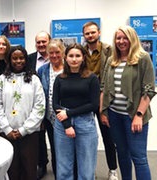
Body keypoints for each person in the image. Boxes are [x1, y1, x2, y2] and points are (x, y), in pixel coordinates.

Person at [100, 25, 156, 180]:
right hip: (114, 115)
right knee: (123, 155)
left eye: (125, 38)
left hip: (134, 116)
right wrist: (103, 111)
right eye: (118, 38)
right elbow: (104, 86)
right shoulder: (112, 60)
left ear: (132, 39)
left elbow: (149, 89)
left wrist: (139, 115)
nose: (121, 41)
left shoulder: (142, 58)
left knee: (139, 158)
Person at [0, 46, 45, 180]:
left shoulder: (34, 79)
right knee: (11, 170)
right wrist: (7, 128)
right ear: (9, 60)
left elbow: (39, 106)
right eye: (14, 58)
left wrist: (24, 130)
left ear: (26, 59)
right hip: (7, 133)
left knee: (29, 169)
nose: (18, 61)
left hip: (29, 133)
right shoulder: (2, 79)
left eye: (21, 58)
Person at [53, 43, 100, 180]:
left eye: (78, 56)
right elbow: (55, 103)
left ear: (83, 58)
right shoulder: (60, 78)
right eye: (71, 56)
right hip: (62, 124)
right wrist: (67, 124)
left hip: (85, 123)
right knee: (64, 168)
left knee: (86, 168)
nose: (74, 59)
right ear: (65, 58)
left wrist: (69, 113)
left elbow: (94, 104)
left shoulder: (91, 78)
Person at [82, 21, 118, 180]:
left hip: (104, 99)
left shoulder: (109, 50)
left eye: (92, 32)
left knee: (108, 137)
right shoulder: (80, 51)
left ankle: (112, 170)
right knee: (85, 138)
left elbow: (112, 74)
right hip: (84, 100)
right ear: (84, 35)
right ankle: (88, 171)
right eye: (87, 33)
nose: (90, 35)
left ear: (99, 32)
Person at [37, 39, 65, 179]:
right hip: (49, 117)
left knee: (69, 150)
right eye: (51, 53)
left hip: (68, 117)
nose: (54, 56)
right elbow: (40, 95)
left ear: (63, 52)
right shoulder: (42, 70)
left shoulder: (69, 68)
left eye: (57, 52)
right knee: (55, 149)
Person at [28, 30, 51, 179]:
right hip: (35, 105)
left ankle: (60, 167)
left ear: (49, 42)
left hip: (55, 106)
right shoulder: (29, 59)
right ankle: (42, 164)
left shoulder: (57, 57)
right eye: (38, 42)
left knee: (57, 140)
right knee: (39, 137)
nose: (41, 44)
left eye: (44, 41)